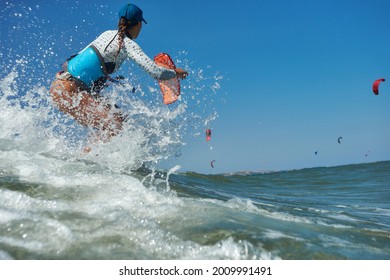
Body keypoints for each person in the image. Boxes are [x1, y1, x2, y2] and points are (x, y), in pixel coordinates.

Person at [49, 3, 188, 145]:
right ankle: (85, 162)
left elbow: (78, 57)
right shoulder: (128, 44)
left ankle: (85, 160)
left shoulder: (106, 34)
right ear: (139, 24)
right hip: (70, 91)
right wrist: (175, 72)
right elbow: (156, 72)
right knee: (115, 123)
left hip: (59, 86)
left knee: (119, 119)